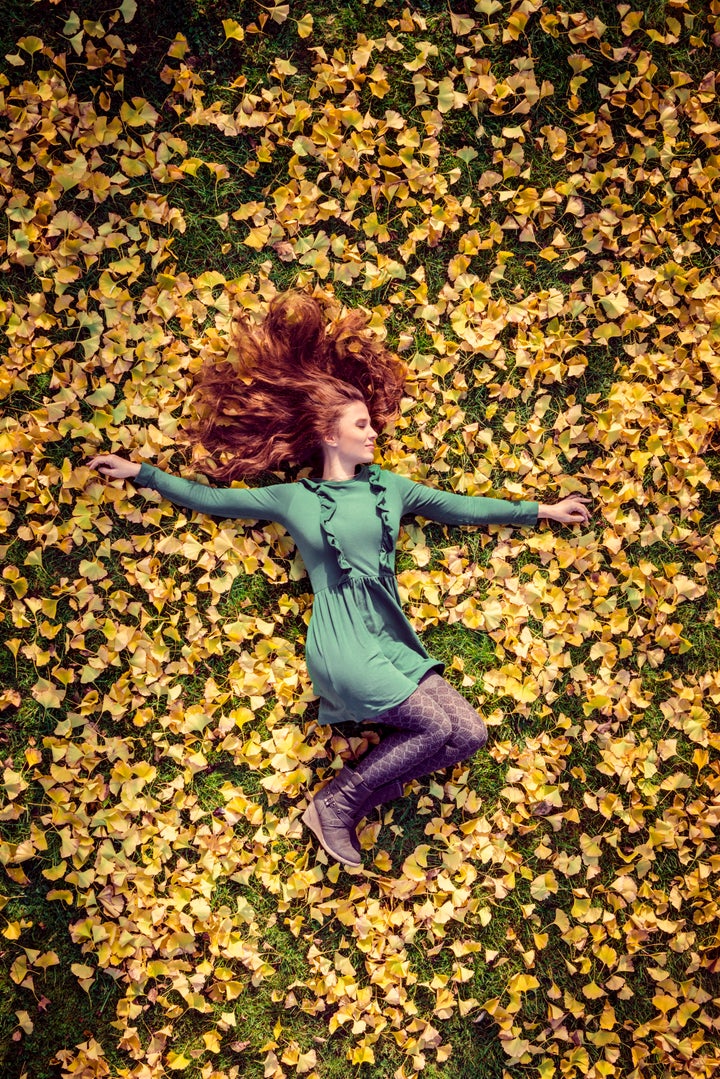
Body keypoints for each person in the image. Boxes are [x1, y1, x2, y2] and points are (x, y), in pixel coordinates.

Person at [87, 290, 590, 868]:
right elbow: (211, 500)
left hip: (390, 639)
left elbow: (463, 505)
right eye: (361, 425)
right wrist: (142, 473)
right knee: (430, 727)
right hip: (343, 645)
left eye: (371, 424)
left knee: (468, 734)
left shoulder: (391, 489)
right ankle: (336, 803)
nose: (373, 432)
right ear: (329, 434)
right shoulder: (295, 499)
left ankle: (362, 798)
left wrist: (542, 511)